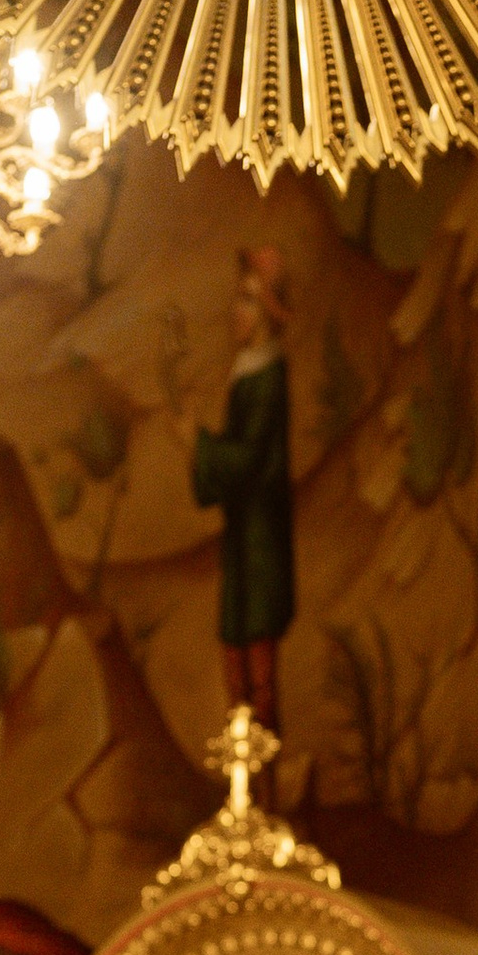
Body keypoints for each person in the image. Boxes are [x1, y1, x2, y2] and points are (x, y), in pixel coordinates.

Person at [192, 246, 296, 742]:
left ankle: (265, 791)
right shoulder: (249, 374)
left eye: (249, 301)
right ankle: (244, 789)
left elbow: (250, 458)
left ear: (268, 314)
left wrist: (197, 444)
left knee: (258, 670)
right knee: (234, 656)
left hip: (261, 545)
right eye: (238, 298)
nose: (237, 311)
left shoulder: (268, 377)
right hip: (245, 540)